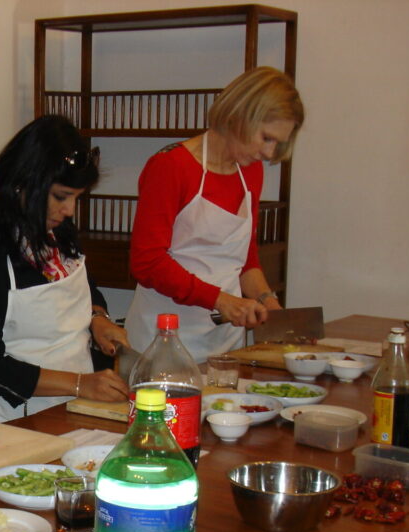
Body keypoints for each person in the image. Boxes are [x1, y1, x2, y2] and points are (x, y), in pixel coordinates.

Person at [125, 66, 304, 362]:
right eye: (267, 138)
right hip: (163, 340)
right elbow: (147, 262)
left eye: (278, 144)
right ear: (240, 116)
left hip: (225, 343)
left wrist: (267, 301)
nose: (270, 154)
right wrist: (221, 300)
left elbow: (244, 258)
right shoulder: (171, 166)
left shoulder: (251, 171)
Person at [0, 114, 130, 421]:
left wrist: (98, 317)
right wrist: (78, 384)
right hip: (14, 415)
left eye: (76, 198)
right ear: (25, 181)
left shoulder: (57, 226)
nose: (69, 210)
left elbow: (82, 282)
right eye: (61, 197)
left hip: (75, 403)